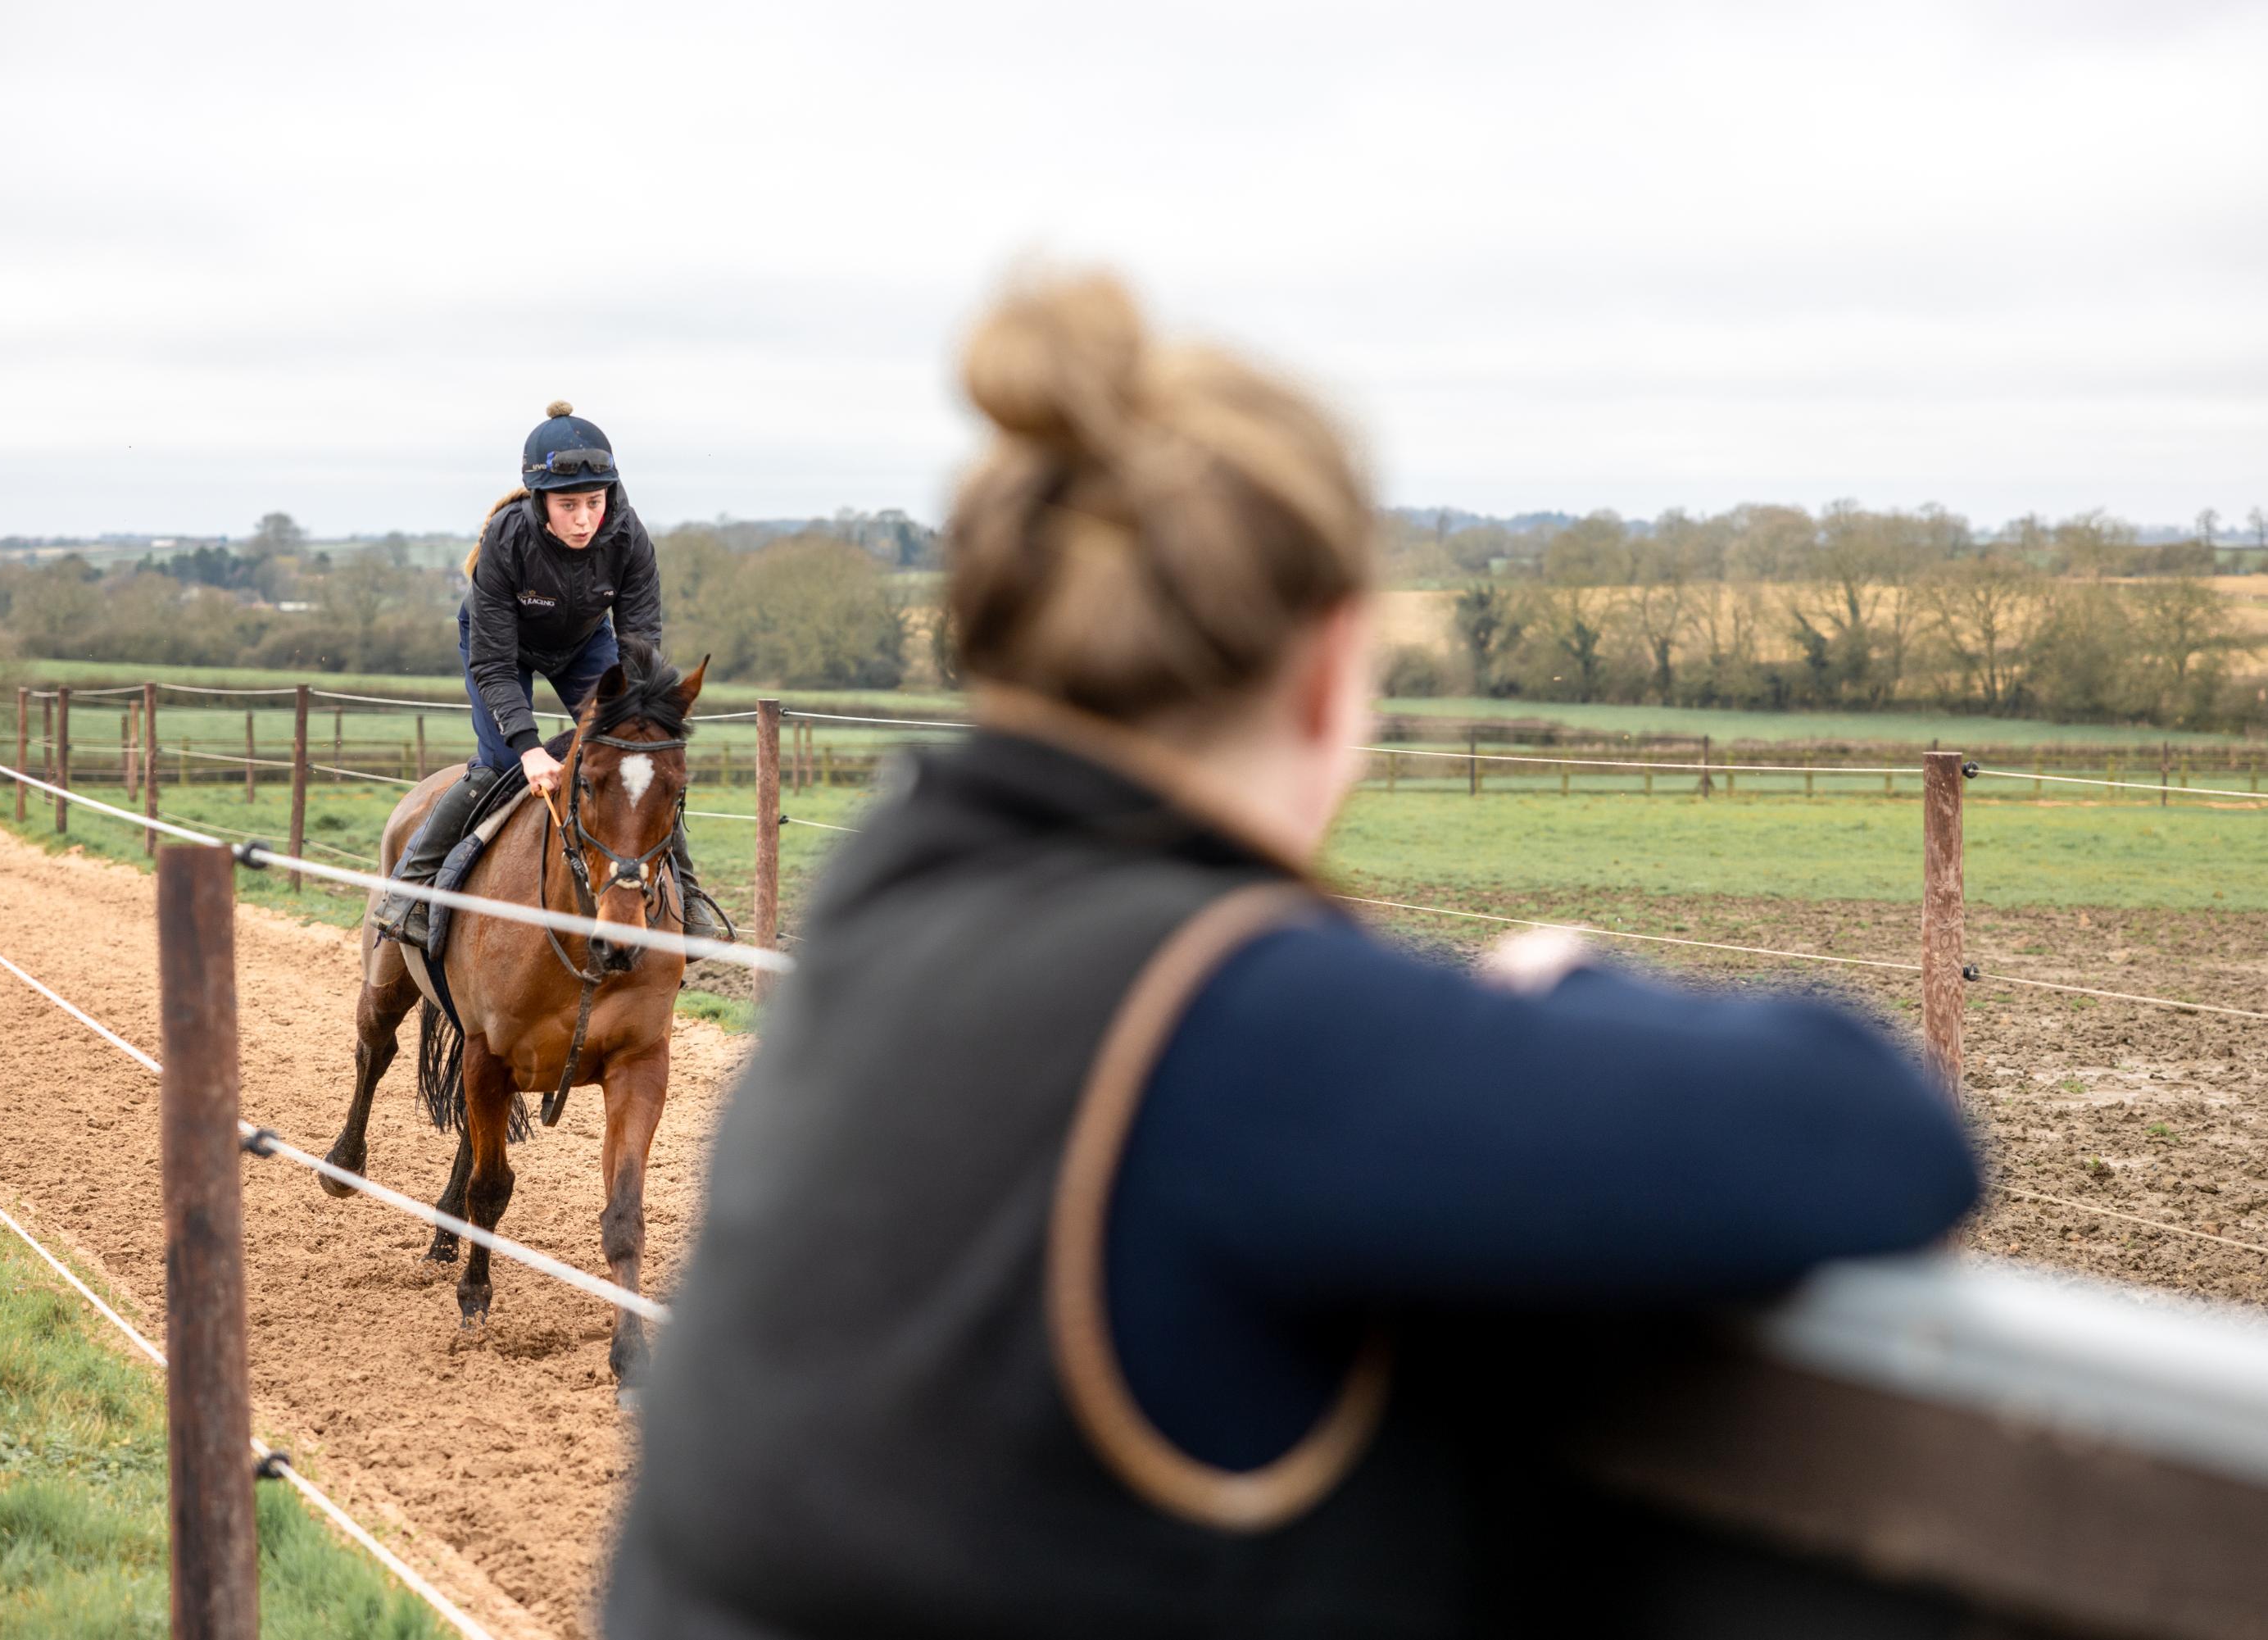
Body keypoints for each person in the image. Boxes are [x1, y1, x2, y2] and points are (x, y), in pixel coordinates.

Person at [607, 278, 1980, 1637]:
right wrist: (1568, 987)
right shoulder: (1228, 1015)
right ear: (1332, 669)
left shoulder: (886, 903)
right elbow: (1882, 1132)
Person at [374, 400, 730, 947]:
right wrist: (529, 747)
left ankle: (687, 889)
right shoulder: (505, 540)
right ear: (541, 500)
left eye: (595, 501)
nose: (585, 518)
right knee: (496, 765)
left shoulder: (631, 538)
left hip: (583, 644)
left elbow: (639, 647)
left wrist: (637, 719)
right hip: (502, 648)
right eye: (569, 505)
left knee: (639, 759)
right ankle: (413, 886)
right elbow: (492, 663)